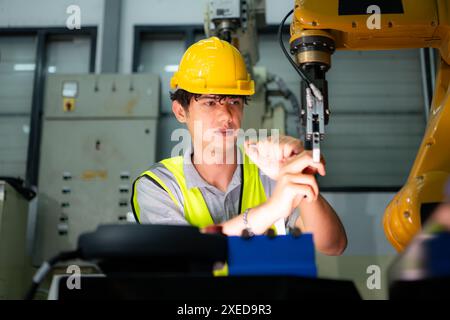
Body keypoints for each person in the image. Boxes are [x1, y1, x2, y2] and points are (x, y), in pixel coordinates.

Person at [131, 37, 347, 256]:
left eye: (234, 102)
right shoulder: (157, 185)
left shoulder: (269, 174)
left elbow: (333, 245)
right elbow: (184, 254)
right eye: (210, 102)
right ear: (180, 111)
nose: (226, 115)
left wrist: (300, 177)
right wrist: (271, 209)